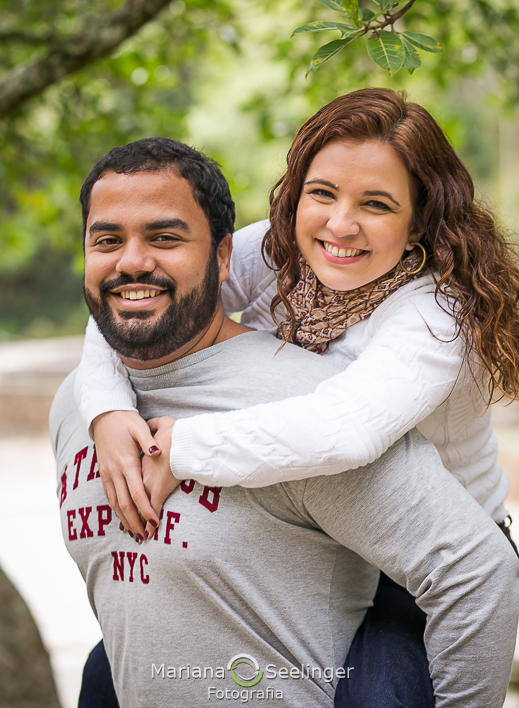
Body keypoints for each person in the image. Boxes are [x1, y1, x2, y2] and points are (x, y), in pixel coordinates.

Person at [74, 89, 519, 706]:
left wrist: (179, 448)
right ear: (295, 194)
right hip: (319, 534)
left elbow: (347, 429)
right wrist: (106, 410)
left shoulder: (437, 312)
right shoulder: (270, 251)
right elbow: (135, 297)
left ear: (419, 220)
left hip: (415, 571)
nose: (340, 224)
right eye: (322, 194)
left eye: (376, 204)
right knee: (121, 669)